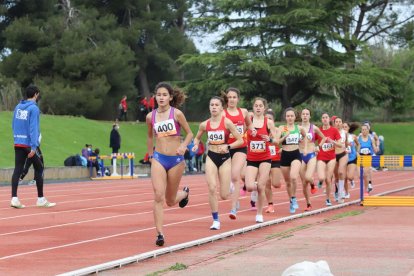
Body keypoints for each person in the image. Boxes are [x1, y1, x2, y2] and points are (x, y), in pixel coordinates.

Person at [146, 82, 193, 246]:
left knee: (170, 200)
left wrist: (183, 146)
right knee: (158, 196)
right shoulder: (150, 116)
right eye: (158, 94)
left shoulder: (177, 114)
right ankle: (159, 234)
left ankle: (185, 194)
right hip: (159, 159)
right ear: (155, 96)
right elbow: (150, 137)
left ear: (170, 97)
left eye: (164, 95)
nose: (161, 97)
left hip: (175, 161)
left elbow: (189, 134)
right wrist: (151, 155)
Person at [192, 96, 243, 230]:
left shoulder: (227, 123)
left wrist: (228, 147)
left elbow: (240, 140)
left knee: (224, 195)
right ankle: (215, 220)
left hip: (225, 158)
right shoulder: (204, 124)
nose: (214, 107)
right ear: (209, 107)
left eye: (216, 105)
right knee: (212, 187)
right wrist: (195, 145)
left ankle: (231, 188)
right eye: (212, 105)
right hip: (211, 156)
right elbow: (197, 138)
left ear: (221, 108)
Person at [10, 84, 56, 208]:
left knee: (17, 169)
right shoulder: (34, 108)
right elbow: (33, 128)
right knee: (39, 167)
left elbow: (13, 124)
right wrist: (34, 146)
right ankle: (40, 199)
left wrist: (16, 138)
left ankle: (14, 198)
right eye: (38, 94)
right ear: (36, 94)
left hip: (18, 142)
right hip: (28, 144)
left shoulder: (18, 107)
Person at [223, 87, 256, 219]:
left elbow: (249, 124)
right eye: (229, 97)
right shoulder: (223, 113)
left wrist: (252, 130)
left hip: (240, 147)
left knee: (235, 175)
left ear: (238, 99)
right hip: (226, 147)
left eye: (234, 97)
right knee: (227, 178)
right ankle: (235, 199)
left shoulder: (243, 112)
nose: (231, 99)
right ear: (227, 99)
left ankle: (233, 209)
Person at [245, 97, 278, 223]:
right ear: (253, 108)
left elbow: (276, 140)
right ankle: (256, 189)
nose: (258, 108)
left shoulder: (268, 122)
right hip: (252, 158)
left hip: (265, 158)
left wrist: (269, 139)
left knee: (261, 187)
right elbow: (239, 133)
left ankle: (259, 214)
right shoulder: (249, 122)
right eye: (256, 106)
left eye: (260, 106)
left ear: (264, 108)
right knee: (249, 186)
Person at [275, 107, 308, 214]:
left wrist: (305, 146)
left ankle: (293, 198)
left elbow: (305, 137)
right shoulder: (281, 128)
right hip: (284, 155)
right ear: (285, 117)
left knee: (294, 177)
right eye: (288, 116)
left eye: (291, 116)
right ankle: (292, 200)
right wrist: (285, 137)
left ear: (295, 117)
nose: (290, 118)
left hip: (296, 154)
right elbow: (276, 142)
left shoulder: (299, 128)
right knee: (288, 182)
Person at [299, 108, 325, 211]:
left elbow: (324, 138)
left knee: (308, 177)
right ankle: (308, 204)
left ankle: (313, 183)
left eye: (307, 114)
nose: (305, 116)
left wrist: (319, 146)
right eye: (303, 114)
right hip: (300, 155)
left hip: (311, 155)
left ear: (310, 116)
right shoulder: (297, 128)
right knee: (304, 183)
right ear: (301, 116)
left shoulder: (313, 128)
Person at [315, 112, 343, 206]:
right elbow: (311, 141)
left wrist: (333, 142)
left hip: (331, 158)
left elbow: (340, 144)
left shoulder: (334, 130)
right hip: (321, 157)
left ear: (329, 119)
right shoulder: (318, 130)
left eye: (326, 117)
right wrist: (315, 147)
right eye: (323, 118)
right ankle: (320, 181)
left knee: (328, 179)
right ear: (321, 120)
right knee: (322, 177)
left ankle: (327, 199)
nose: (325, 119)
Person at [264, 110, 282, 214]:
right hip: (264, 159)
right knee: (267, 183)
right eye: (266, 119)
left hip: (275, 159)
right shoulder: (260, 130)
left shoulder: (277, 130)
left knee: (275, 184)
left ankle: (277, 182)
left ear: (273, 120)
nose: (268, 121)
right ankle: (270, 205)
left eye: (270, 119)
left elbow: (278, 140)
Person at [358, 124, 379, 194]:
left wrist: (376, 148)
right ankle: (366, 187)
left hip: (368, 157)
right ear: (361, 131)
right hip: (360, 158)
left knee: (366, 174)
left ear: (368, 130)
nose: (364, 131)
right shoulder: (359, 138)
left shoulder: (371, 139)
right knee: (360, 176)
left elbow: (374, 148)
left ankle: (366, 190)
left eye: (365, 129)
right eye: (362, 130)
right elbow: (356, 148)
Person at [333, 116, 349, 203]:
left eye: (340, 121)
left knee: (341, 172)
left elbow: (346, 143)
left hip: (343, 154)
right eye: (337, 122)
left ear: (342, 123)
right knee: (336, 177)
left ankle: (341, 192)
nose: (338, 123)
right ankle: (339, 191)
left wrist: (346, 148)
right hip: (334, 155)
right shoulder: (332, 132)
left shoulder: (345, 132)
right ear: (334, 123)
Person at [343, 122, 359, 196]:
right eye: (343, 127)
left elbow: (358, 144)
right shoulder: (339, 137)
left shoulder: (353, 136)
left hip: (352, 158)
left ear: (349, 128)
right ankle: (346, 193)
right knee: (344, 177)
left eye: (345, 127)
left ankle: (352, 180)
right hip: (343, 158)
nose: (344, 128)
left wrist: (357, 152)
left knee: (349, 176)